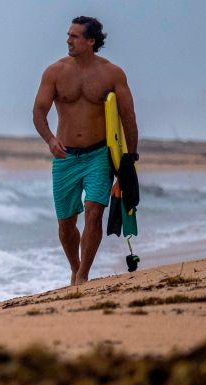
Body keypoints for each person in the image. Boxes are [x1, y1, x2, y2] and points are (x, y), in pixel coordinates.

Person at [32, 17, 138, 286]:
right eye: (68, 35)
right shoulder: (54, 72)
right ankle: (74, 267)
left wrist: (129, 161)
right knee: (66, 224)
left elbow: (128, 117)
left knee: (94, 212)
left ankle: (82, 276)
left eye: (75, 36)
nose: (68, 40)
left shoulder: (112, 73)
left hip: (98, 155)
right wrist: (49, 139)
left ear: (91, 41)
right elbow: (39, 112)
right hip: (65, 156)